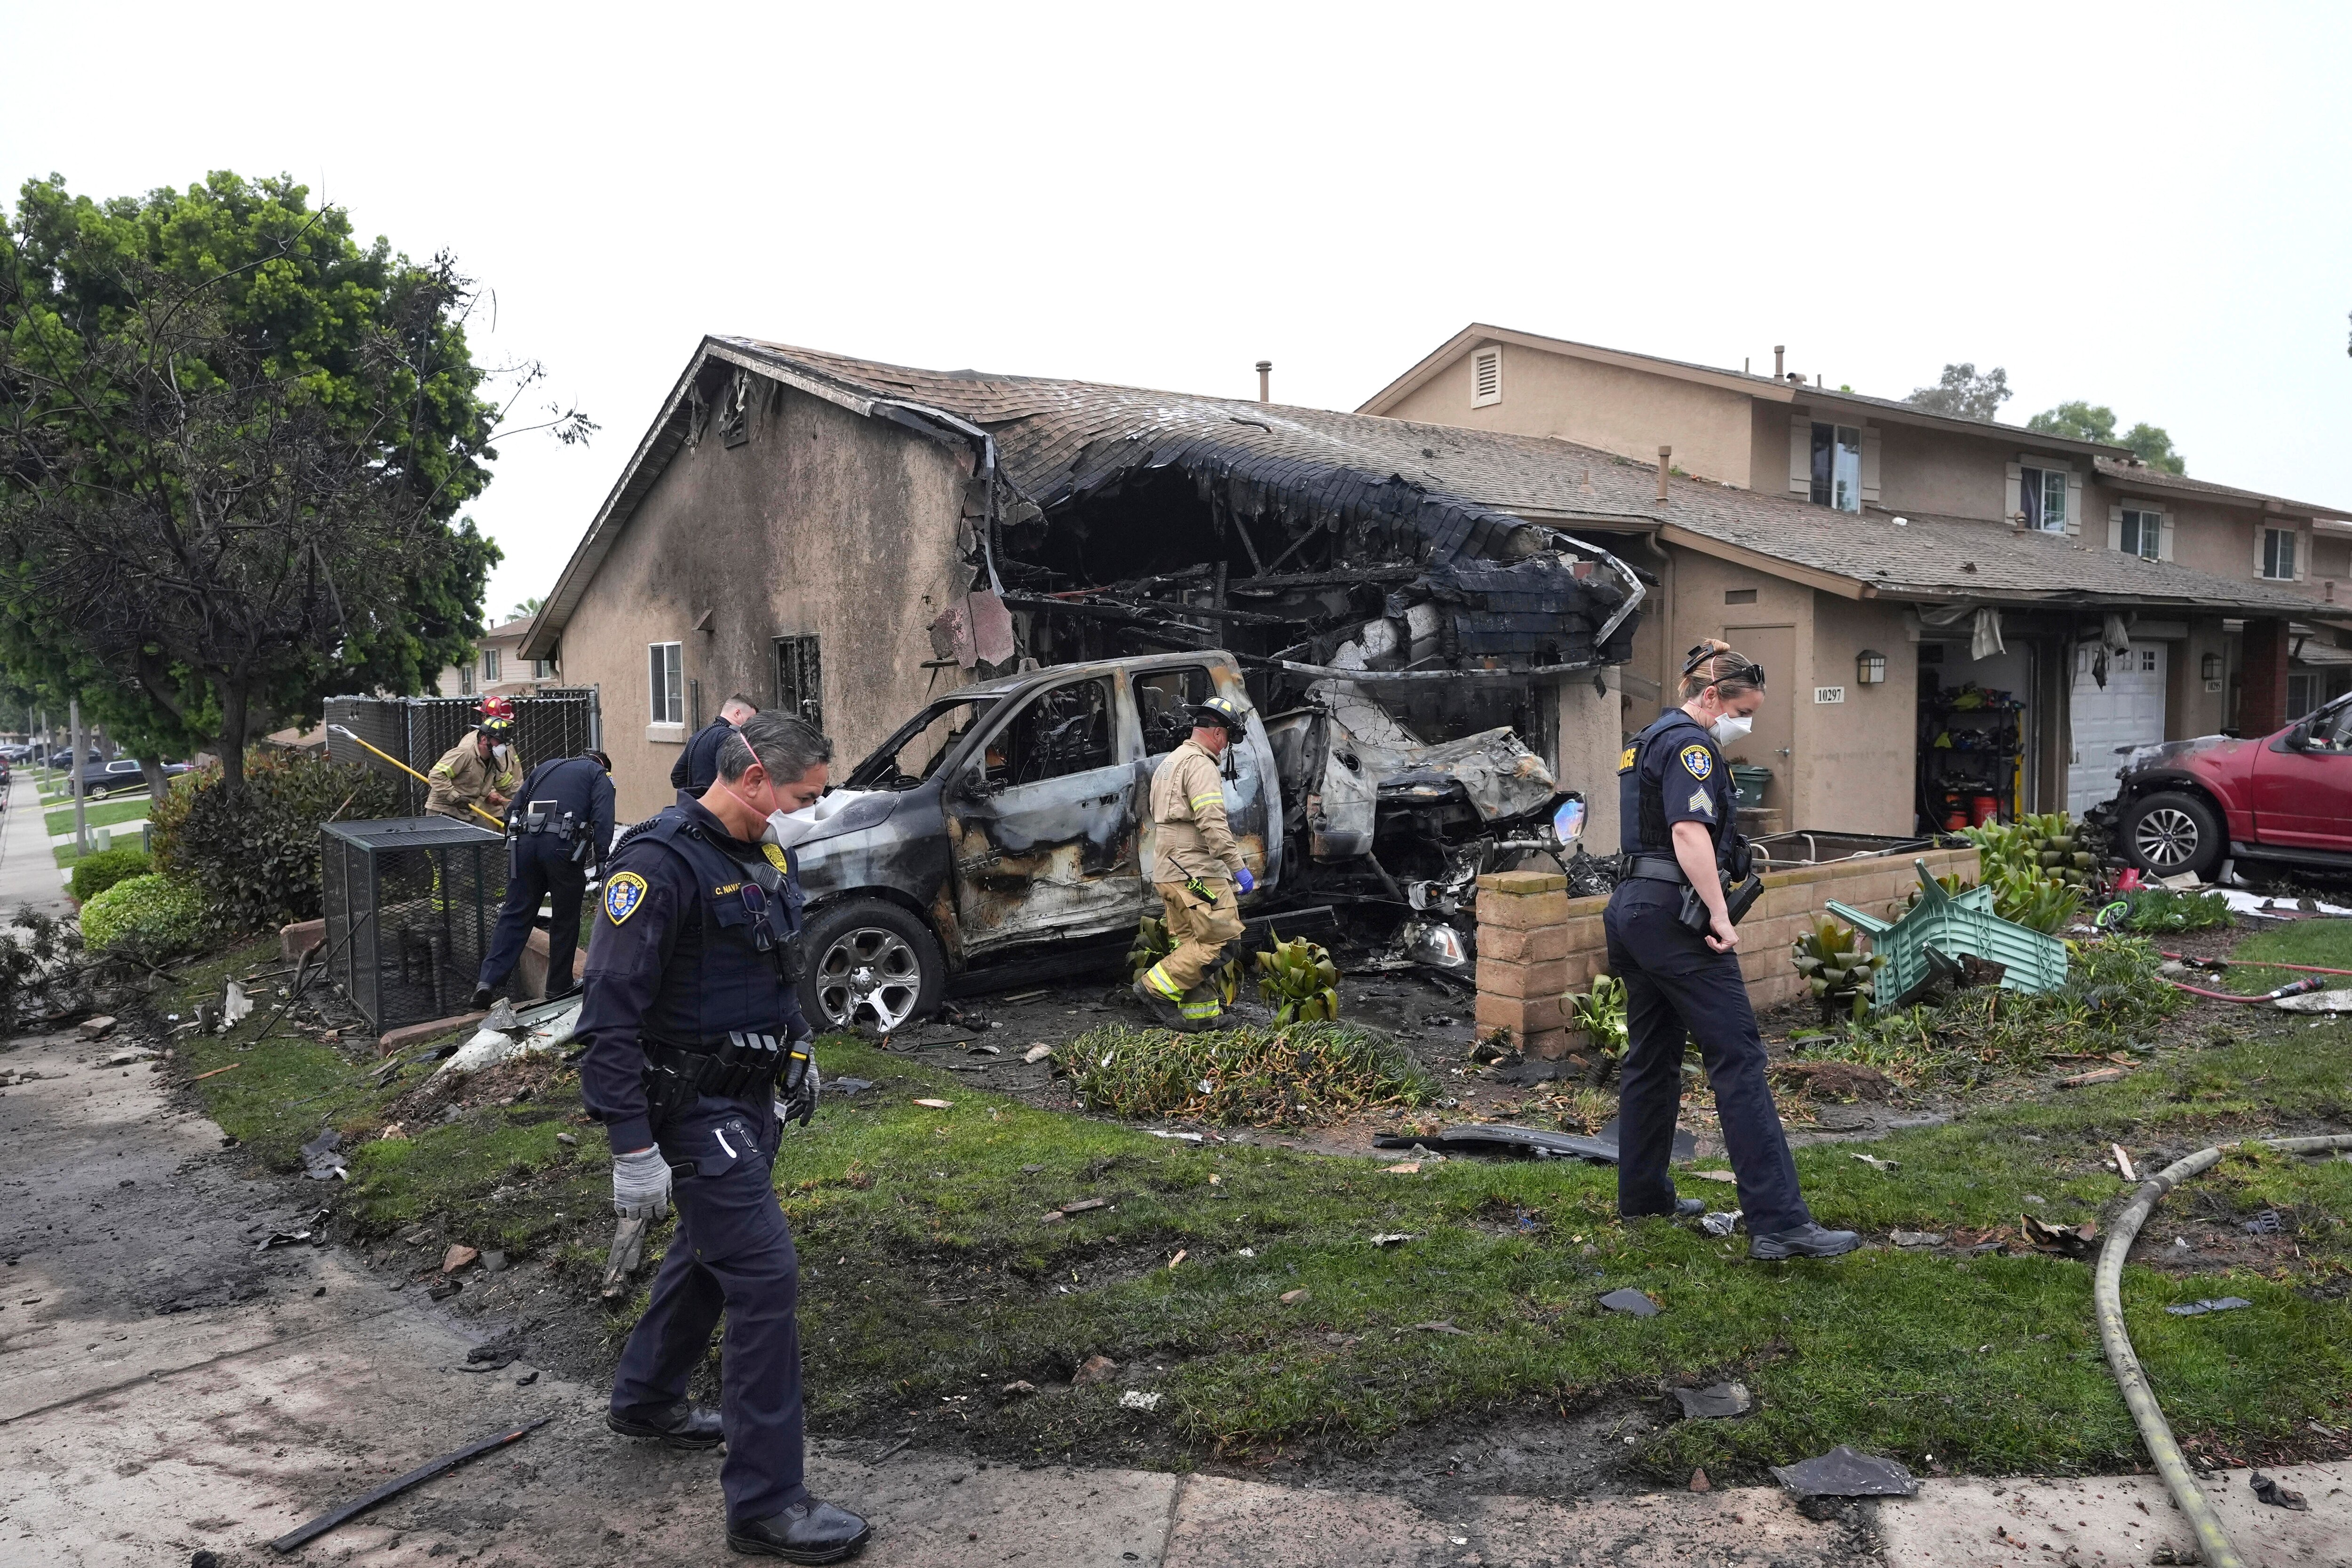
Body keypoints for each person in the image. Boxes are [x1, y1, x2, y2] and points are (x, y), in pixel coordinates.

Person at [575, 711, 871, 1562]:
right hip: (693, 1108)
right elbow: (609, 1020)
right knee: (765, 1275)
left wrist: (800, 1048)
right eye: (799, 795)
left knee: (712, 1253)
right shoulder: (658, 865)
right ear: (750, 778)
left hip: (752, 1099)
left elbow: (778, 963)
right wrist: (631, 1148)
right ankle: (767, 1504)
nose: (804, 811)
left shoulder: (762, 852)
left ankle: (647, 1396)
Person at [1606, 641, 1859, 1262]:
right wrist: (1719, 914)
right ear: (1712, 696)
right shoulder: (1691, 746)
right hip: (1676, 916)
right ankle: (1778, 1222)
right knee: (1738, 1058)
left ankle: (1644, 1196)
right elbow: (1688, 831)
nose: (1744, 723)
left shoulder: (1644, 740)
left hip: (1633, 909)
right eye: (1742, 709)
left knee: (1654, 1055)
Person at [1133, 695, 1257, 1032]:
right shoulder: (1201, 765)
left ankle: (1200, 1014)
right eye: (1229, 737)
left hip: (1169, 869)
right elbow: (1213, 822)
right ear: (1219, 734)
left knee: (1191, 945)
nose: (1227, 745)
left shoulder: (1170, 762)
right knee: (1222, 940)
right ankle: (1153, 988)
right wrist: (1238, 867)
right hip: (1195, 871)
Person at [472, 749, 616, 1009]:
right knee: (565, 917)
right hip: (562, 848)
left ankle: (487, 982)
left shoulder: (547, 767)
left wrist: (517, 844)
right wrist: (603, 858)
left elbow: (514, 808)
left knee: (515, 913)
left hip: (524, 845)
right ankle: (558, 986)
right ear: (602, 764)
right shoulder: (599, 774)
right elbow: (603, 816)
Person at [427, 699, 523, 822]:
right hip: (444, 811)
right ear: (484, 740)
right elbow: (436, 775)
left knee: (487, 839)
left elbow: (504, 783)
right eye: (499, 742)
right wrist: (455, 798)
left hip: (466, 812)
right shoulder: (466, 752)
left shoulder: (492, 758)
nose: (502, 747)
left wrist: (525, 795)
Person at [672, 693, 761, 796]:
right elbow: (727, 776)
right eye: (750, 720)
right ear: (737, 713)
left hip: (697, 805)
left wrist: (697, 795)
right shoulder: (729, 736)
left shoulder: (699, 735)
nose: (750, 725)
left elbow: (677, 776)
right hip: (719, 806)